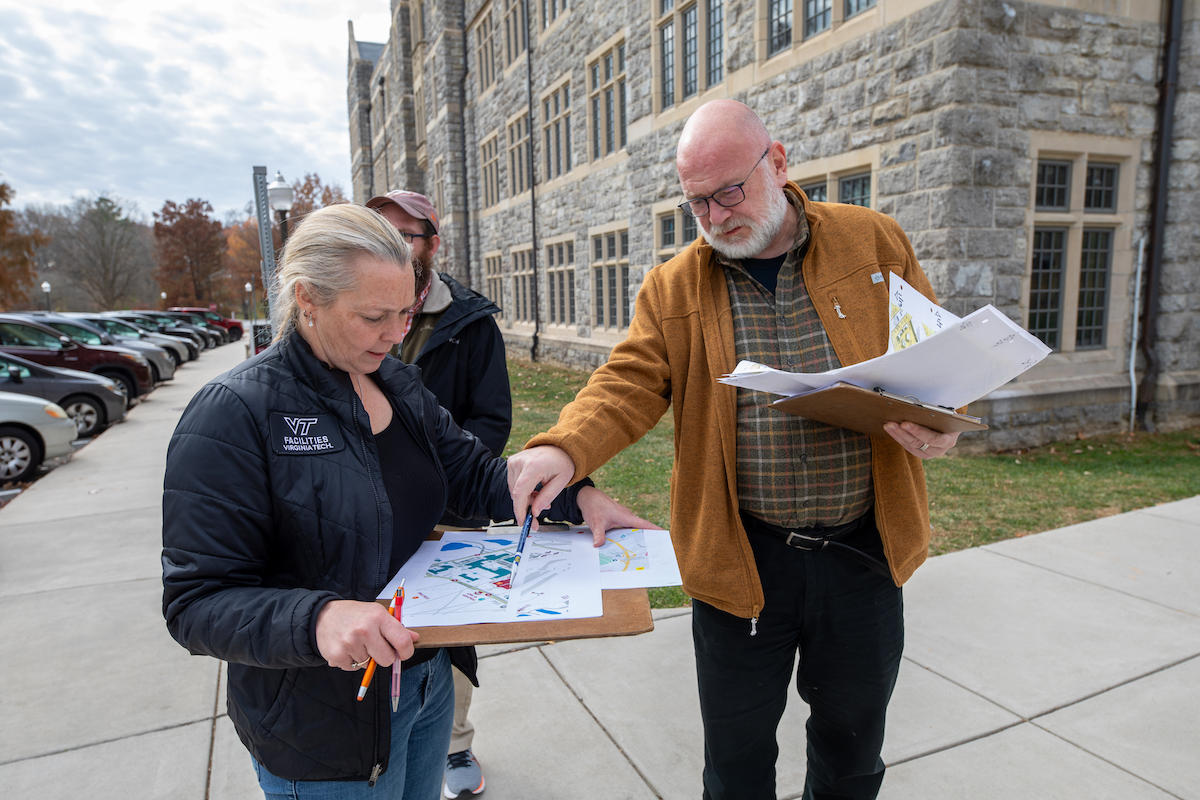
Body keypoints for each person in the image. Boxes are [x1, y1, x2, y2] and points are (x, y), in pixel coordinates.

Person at [506, 99, 959, 800]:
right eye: (697, 203)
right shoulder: (673, 288)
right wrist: (564, 448)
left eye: (729, 193)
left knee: (852, 750)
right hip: (741, 562)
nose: (715, 218)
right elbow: (627, 382)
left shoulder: (873, 241)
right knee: (736, 762)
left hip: (862, 557)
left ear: (776, 163)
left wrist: (944, 418)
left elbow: (935, 358)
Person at [161, 203, 647, 800]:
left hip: (425, 679)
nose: (395, 335)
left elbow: (473, 476)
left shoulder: (396, 383)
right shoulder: (235, 413)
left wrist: (575, 497)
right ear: (307, 298)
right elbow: (196, 602)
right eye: (373, 317)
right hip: (323, 727)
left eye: (404, 313)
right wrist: (318, 619)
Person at [365, 189, 509, 798]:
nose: (397, 246)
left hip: (449, 509)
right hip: (370, 515)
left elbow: (490, 421)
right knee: (380, 633)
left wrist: (434, 482)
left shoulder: (470, 322)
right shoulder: (352, 319)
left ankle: (454, 743)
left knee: (450, 637)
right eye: (383, 232)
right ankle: (386, 742)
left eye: (408, 235)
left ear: (432, 244)